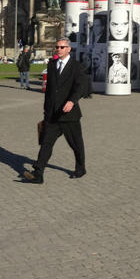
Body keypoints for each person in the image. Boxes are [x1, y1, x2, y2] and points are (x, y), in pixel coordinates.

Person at [23, 38, 87, 184]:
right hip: (52, 114)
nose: (59, 49)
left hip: (69, 114)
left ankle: (80, 168)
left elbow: (81, 86)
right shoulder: (52, 65)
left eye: (62, 47)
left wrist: (72, 101)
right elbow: (50, 91)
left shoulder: (76, 66)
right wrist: (46, 112)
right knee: (46, 143)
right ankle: (38, 173)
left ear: (69, 49)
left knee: (76, 143)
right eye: (57, 47)